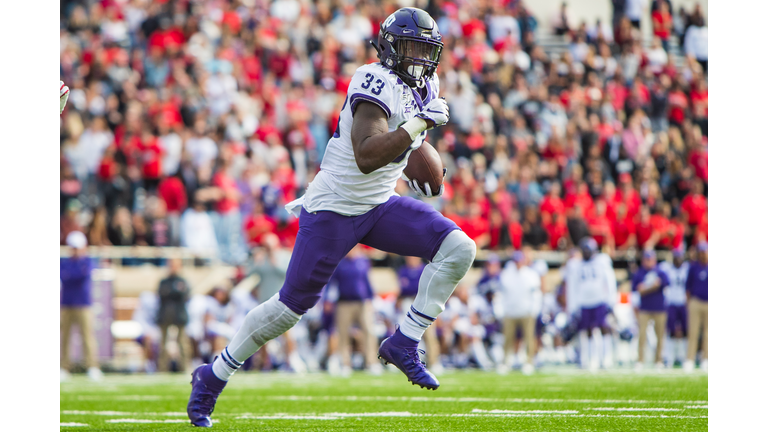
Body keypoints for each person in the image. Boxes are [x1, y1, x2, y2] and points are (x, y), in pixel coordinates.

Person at [188, 8, 475, 427]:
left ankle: (405, 341)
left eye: (424, 50)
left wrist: (418, 149)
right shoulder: (372, 78)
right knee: (289, 308)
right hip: (334, 209)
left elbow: (406, 148)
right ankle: (212, 376)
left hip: (378, 206)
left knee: (459, 248)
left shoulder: (427, 85)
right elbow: (366, 156)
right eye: (411, 47)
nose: (418, 58)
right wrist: (416, 127)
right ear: (390, 48)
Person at [326, 245, 382, 375]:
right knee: (343, 334)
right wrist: (328, 300)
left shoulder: (363, 261)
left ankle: (371, 362)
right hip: (344, 303)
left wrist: (372, 299)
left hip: (362, 302)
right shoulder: (340, 263)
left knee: (368, 331)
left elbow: (367, 281)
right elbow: (332, 283)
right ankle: (345, 363)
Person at [564, 238, 617, 371]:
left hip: (600, 300)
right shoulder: (575, 265)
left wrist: (611, 300)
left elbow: (610, 281)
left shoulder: (602, 261)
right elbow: (572, 287)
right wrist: (573, 307)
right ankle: (589, 358)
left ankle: (606, 357)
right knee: (587, 330)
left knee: (604, 328)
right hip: (584, 302)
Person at [60, 231, 102, 381]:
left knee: (87, 336)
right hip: (66, 303)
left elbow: (77, 276)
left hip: (84, 304)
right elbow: (66, 276)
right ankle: (64, 367)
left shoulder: (88, 261)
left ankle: (92, 366)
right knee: (65, 337)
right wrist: (71, 275)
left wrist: (70, 275)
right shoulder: (64, 262)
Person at [498, 251, 541, 375]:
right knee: (507, 338)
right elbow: (501, 294)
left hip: (526, 311)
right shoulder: (506, 274)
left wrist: (534, 309)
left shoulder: (531, 274)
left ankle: (529, 362)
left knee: (528, 338)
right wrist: (501, 310)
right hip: (510, 311)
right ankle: (506, 362)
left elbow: (536, 294)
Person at [631, 250, 671, 370]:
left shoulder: (660, 271)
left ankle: (658, 360)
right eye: (646, 259)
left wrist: (647, 288)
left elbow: (665, 284)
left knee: (660, 336)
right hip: (644, 308)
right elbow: (637, 289)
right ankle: (640, 360)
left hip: (659, 308)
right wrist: (652, 286)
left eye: (650, 259)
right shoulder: (639, 273)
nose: (648, 262)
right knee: (642, 335)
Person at [157, 258, 191, 373]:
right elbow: (162, 293)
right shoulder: (164, 281)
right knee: (162, 345)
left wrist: (172, 292)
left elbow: (185, 295)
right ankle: (162, 369)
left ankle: (185, 368)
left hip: (179, 315)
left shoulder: (183, 280)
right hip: (166, 315)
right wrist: (176, 291)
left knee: (183, 344)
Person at [659, 248, 690, 367]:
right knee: (671, 331)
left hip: (683, 303)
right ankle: (669, 357)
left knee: (686, 331)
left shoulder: (687, 269)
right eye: (676, 257)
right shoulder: (666, 269)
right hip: (671, 303)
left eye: (679, 257)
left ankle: (684, 357)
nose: (678, 259)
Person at [684, 241, 708, 373]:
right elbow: (687, 287)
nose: (703, 254)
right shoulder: (693, 267)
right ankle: (690, 359)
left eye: (705, 251)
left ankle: (706, 359)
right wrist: (689, 302)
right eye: (702, 251)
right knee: (693, 331)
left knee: (708, 333)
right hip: (695, 301)